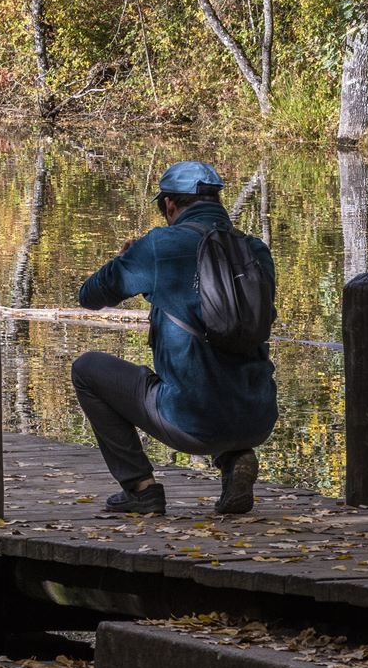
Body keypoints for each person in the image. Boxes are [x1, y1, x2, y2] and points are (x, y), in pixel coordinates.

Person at [70, 161, 277, 516]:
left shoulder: (159, 245)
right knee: (217, 371)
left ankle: (141, 489)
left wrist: (127, 260)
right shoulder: (255, 250)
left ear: (169, 205)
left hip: (192, 422)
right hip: (257, 415)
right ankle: (236, 457)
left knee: (87, 369)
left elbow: (90, 296)